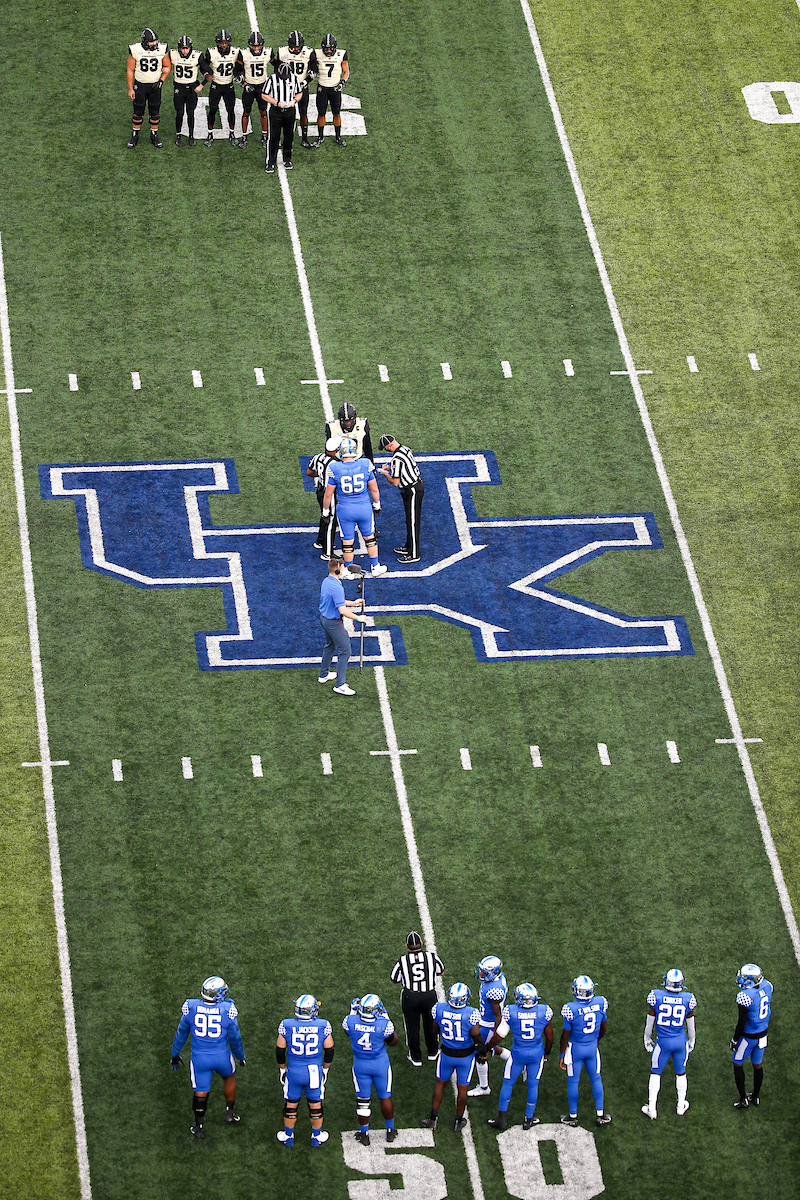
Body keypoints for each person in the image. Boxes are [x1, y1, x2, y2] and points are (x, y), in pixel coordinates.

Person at [170, 975, 246, 1139]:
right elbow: (235, 1038)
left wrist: (175, 1054)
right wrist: (240, 1056)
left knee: (201, 1091)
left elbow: (181, 1034)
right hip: (222, 1057)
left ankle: (199, 1127)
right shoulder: (227, 1009)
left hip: (200, 1059)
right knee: (229, 1077)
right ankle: (230, 1112)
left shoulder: (191, 1007)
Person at [486, 983, 554, 1131]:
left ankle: (502, 1119)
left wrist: (487, 1047)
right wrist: (547, 1053)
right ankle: (528, 1119)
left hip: (518, 1054)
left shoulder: (511, 1011)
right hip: (536, 1054)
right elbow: (549, 1037)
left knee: (508, 1083)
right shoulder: (544, 1011)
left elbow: (500, 1035)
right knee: (533, 1085)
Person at [421, 983, 483, 1132]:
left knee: (440, 1084)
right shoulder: (471, 1013)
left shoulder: (439, 1009)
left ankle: (433, 1119)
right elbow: (478, 1039)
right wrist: (483, 1053)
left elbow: (435, 1029)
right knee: (462, 1089)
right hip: (465, 1057)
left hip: (447, 1054)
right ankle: (458, 1121)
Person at [275, 993, 334, 1147]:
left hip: (294, 1071)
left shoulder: (286, 1024)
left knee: (291, 1104)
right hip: (314, 1071)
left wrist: (282, 1069)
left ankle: (288, 1136)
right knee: (315, 1104)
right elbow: (329, 1050)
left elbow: (280, 1050)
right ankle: (316, 1136)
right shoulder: (323, 1025)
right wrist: (325, 1069)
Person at [322, 439, 387, 577]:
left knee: (347, 542)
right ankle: (375, 566)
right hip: (363, 507)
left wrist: (325, 511)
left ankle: (348, 571)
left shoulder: (334, 468)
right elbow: (374, 489)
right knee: (370, 538)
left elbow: (328, 494)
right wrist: (377, 504)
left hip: (345, 509)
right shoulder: (365, 464)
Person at [342, 994, 399, 1145]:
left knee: (363, 1101)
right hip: (380, 1064)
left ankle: (364, 1134)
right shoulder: (383, 1024)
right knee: (385, 1097)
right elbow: (394, 1041)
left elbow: (347, 1031)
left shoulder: (350, 1021)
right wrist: (386, 1016)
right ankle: (390, 1130)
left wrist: (352, 1011)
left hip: (361, 1065)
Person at [640, 967, 696, 1119]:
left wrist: (647, 1038)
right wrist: (692, 1040)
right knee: (681, 1073)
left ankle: (652, 1108)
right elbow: (691, 1025)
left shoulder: (656, 996)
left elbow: (649, 1022)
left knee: (655, 1072)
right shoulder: (688, 998)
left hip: (663, 1042)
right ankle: (680, 1105)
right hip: (680, 1041)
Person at [559, 974, 612, 1127]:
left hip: (575, 1048)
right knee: (596, 1079)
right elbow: (604, 1027)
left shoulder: (570, 1008)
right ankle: (601, 1115)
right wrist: (598, 1040)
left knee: (573, 1082)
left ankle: (573, 1116)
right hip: (592, 1048)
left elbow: (565, 1034)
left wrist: (562, 1054)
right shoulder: (601, 1002)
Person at [390, 931, 445, 1066]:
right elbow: (441, 970)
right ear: (421, 944)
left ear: (407, 946)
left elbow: (394, 979)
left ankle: (416, 1057)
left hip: (411, 997)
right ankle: (433, 1051)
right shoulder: (431, 957)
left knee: (412, 1027)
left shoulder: (402, 960)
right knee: (431, 1024)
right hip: (429, 996)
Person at [318, 556, 368, 696]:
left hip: (324, 619)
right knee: (345, 651)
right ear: (338, 570)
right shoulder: (336, 587)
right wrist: (359, 617)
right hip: (334, 623)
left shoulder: (327, 581)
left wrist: (353, 603)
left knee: (330, 646)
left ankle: (324, 675)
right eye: (343, 567)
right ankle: (340, 685)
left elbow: (337, 601)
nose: (345, 569)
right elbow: (342, 610)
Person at [467, 955, 510, 1098]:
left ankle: (484, 1087)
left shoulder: (494, 989)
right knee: (490, 1049)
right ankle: (517, 1062)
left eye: (484, 972)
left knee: (481, 1053)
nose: (481, 974)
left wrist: (495, 1032)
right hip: (485, 1021)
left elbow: (497, 1015)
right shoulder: (498, 978)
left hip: (489, 1024)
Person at [730, 963, 772, 1109]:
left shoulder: (745, 996)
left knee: (737, 1063)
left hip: (748, 1037)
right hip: (763, 1035)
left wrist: (735, 1039)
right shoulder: (767, 985)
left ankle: (743, 1099)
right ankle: (755, 1096)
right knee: (757, 1064)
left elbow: (742, 1022)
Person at [378, 435, 425, 563]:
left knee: (413, 522)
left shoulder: (396, 459)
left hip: (412, 490)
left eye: (386, 447)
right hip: (413, 487)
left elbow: (394, 481)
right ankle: (408, 546)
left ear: (389, 446)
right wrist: (390, 467)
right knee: (410, 519)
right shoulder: (405, 449)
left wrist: (386, 474)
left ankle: (414, 554)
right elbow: (405, 466)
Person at [126, 28, 171, 149]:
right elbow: (130, 69)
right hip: (140, 85)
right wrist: (131, 88)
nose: (154, 44)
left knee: (154, 112)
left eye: (155, 41)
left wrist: (161, 80)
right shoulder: (135, 49)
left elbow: (167, 66)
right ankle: (135, 134)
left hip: (155, 86)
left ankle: (154, 135)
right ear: (145, 41)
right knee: (138, 112)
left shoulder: (162, 49)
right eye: (151, 42)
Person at [273, 31, 318, 148]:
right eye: (294, 46)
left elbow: (314, 71)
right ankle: (284, 139)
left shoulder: (309, 52)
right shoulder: (282, 52)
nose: (296, 48)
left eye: (298, 46)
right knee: (285, 115)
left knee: (303, 113)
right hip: (286, 89)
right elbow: (276, 71)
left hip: (302, 88)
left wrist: (305, 81)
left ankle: (304, 138)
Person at [199, 30, 240, 147]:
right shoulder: (211, 52)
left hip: (229, 86)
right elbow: (203, 64)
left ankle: (232, 134)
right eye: (221, 43)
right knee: (212, 110)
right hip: (215, 86)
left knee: (230, 110)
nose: (223, 45)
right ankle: (210, 134)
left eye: (225, 43)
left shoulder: (236, 52)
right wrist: (207, 74)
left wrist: (238, 74)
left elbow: (242, 64)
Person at [263, 62, 304, 173]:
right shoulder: (272, 79)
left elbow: (299, 93)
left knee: (289, 136)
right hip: (276, 111)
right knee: (273, 137)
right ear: (279, 71)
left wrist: (294, 101)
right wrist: (276, 102)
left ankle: (287, 159)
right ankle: (270, 162)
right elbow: (264, 95)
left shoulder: (294, 78)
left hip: (290, 111)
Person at [307, 437, 341, 559]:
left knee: (324, 516)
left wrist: (321, 474)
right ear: (336, 449)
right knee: (331, 520)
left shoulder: (318, 457)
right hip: (329, 493)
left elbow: (309, 473)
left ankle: (320, 541)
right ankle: (327, 552)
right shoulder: (335, 464)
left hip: (320, 490)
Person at [236, 31, 271, 148]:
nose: (256, 48)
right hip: (249, 87)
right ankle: (244, 136)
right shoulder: (243, 54)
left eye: (258, 46)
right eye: (254, 46)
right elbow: (237, 71)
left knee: (264, 112)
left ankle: (265, 135)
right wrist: (244, 83)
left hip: (262, 86)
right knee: (246, 112)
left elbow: (277, 65)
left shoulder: (268, 53)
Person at [313, 33, 348, 147]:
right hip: (322, 88)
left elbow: (346, 71)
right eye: (326, 49)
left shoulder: (341, 54)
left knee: (336, 113)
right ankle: (320, 137)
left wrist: (342, 82)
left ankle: (338, 136)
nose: (328, 51)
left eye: (331, 48)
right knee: (321, 114)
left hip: (335, 88)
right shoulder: (317, 54)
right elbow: (312, 67)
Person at [170, 35, 204, 147]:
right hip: (179, 88)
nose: (184, 51)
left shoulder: (197, 56)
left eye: (187, 48)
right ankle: (178, 135)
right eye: (182, 48)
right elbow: (163, 63)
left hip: (191, 89)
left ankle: (191, 135)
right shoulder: (172, 54)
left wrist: (202, 84)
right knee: (179, 113)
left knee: (190, 113)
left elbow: (208, 72)